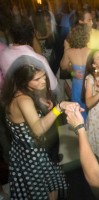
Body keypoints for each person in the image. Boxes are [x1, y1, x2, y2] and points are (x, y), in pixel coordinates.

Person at [0, 56, 79, 199]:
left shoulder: (18, 92)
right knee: (44, 190)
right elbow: (37, 129)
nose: (43, 81)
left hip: (22, 152)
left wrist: (41, 104)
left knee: (47, 186)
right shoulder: (23, 100)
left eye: (43, 76)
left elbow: (27, 119)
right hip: (34, 156)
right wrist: (59, 108)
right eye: (37, 79)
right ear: (23, 81)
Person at [0, 17, 58, 94]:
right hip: (35, 99)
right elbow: (53, 86)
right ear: (32, 35)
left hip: (13, 97)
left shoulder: (3, 54)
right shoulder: (38, 59)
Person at [60, 23, 91, 121]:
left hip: (77, 85)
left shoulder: (69, 52)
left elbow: (63, 67)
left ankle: (81, 129)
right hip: (89, 84)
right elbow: (95, 69)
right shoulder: (91, 51)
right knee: (89, 106)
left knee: (78, 108)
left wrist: (73, 72)